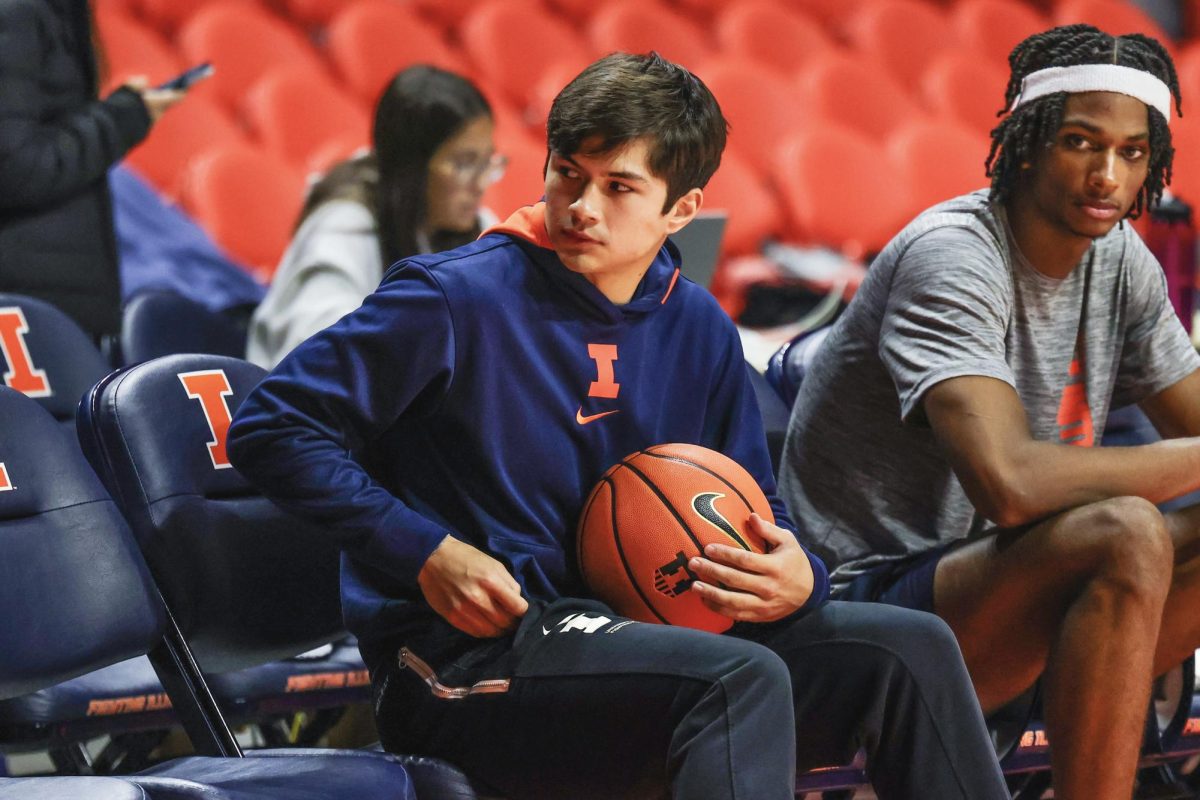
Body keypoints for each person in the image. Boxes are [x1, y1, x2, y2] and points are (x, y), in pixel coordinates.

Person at [228, 53, 1007, 799]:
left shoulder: (696, 324)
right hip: (465, 661)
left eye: (618, 187)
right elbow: (269, 425)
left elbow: (751, 503)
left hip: (638, 633)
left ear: (682, 210)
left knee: (908, 648)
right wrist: (425, 551)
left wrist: (799, 572)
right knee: (735, 681)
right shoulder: (453, 298)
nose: (581, 206)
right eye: (568, 173)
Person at [780, 24, 1200, 800]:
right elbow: (1007, 484)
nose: (1107, 175)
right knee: (1127, 531)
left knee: (1137, 534)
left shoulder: (1118, 255)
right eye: (1082, 142)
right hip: (862, 610)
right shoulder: (953, 256)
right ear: (1029, 141)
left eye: (1133, 153)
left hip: (1010, 598)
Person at [246, 64, 503, 369]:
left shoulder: (477, 227)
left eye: (487, 162)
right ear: (412, 167)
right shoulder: (343, 228)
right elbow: (321, 362)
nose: (481, 183)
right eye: (463, 164)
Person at [0, 0, 182, 344]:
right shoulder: (17, 12)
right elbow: (15, 169)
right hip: (30, 310)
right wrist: (122, 118)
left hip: (46, 299)